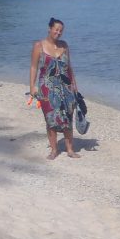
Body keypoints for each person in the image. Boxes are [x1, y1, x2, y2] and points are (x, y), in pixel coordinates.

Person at [30, 17, 80, 159]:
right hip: (47, 87)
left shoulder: (64, 45)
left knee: (67, 117)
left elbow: (69, 67)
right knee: (50, 118)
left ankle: (70, 149)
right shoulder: (39, 46)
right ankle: (54, 150)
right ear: (50, 29)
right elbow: (33, 67)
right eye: (56, 30)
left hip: (66, 87)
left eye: (61, 31)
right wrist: (32, 86)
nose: (58, 32)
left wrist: (74, 85)